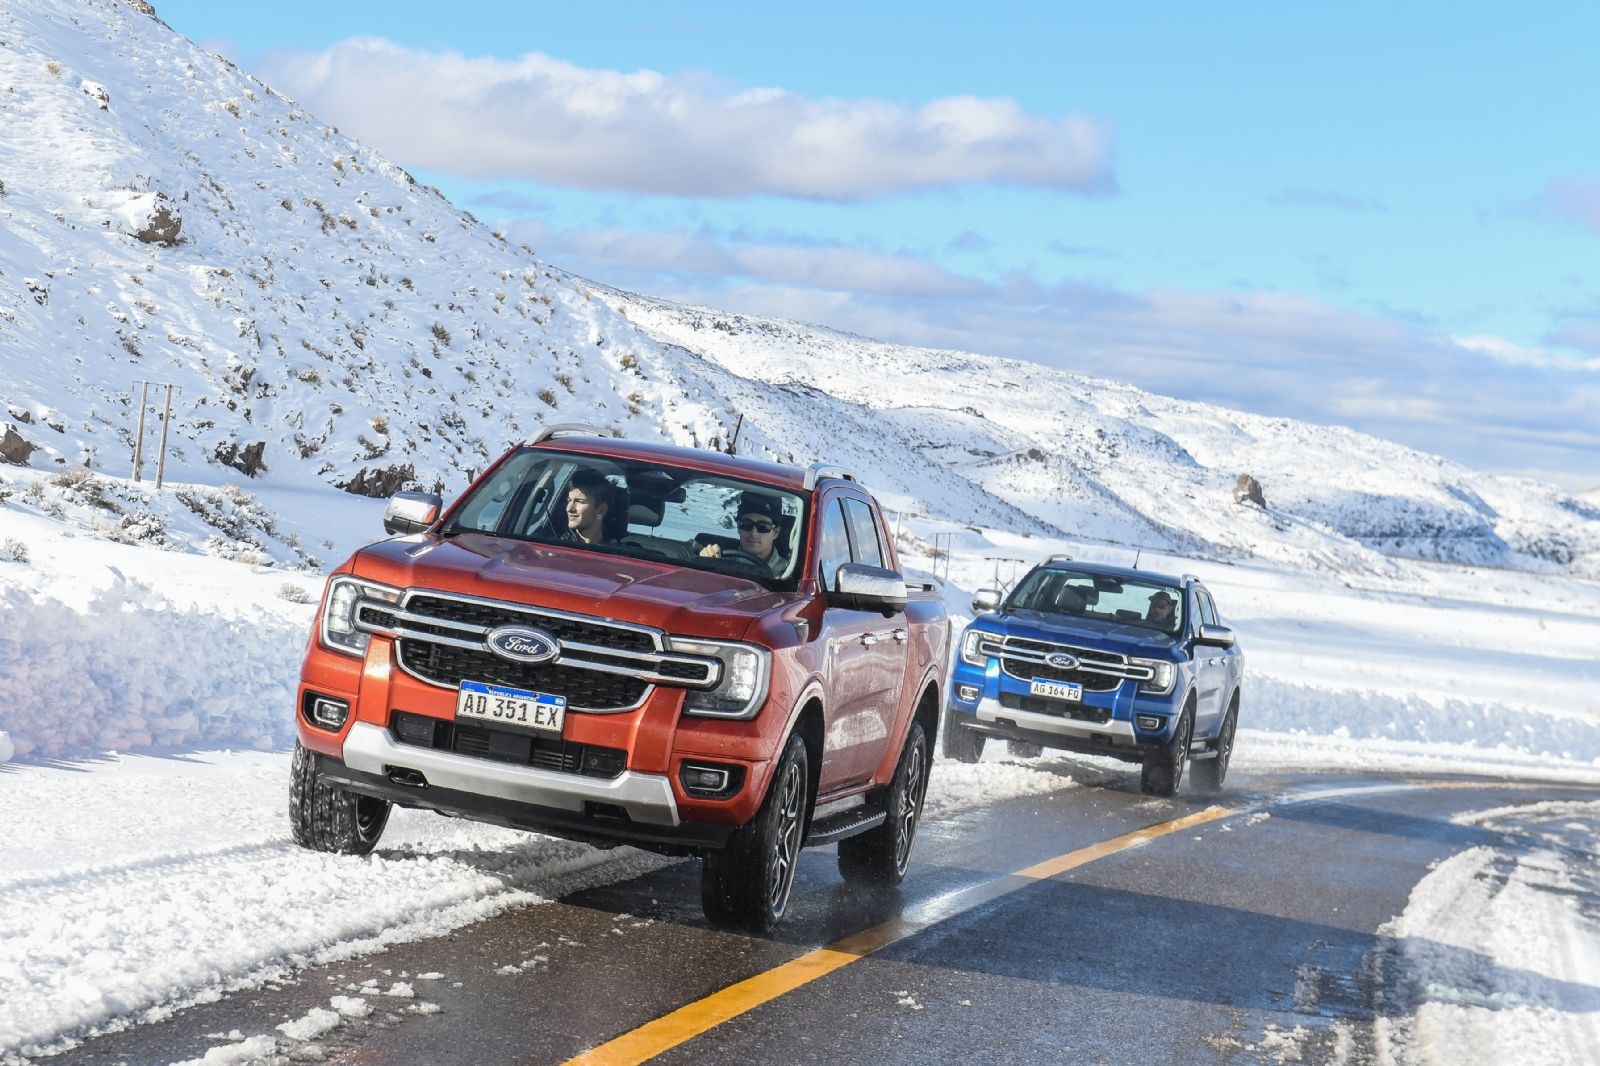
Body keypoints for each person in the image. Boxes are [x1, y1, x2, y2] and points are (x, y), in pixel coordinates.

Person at [699, 491, 789, 574]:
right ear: (738, 528)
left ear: (775, 532)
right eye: (746, 525)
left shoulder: (788, 574)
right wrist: (703, 564)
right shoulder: (719, 562)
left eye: (763, 527)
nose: (753, 533)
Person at [556, 469, 619, 546]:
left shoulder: (618, 550)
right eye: (569, 500)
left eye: (580, 501)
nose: (569, 509)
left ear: (601, 510)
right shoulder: (555, 544)